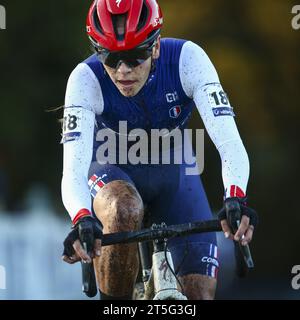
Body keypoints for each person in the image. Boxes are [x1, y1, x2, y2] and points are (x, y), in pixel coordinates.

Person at [61, 0, 257, 300]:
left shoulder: (188, 60)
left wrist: (235, 195)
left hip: (174, 175)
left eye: (134, 56)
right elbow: (73, 165)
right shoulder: (84, 79)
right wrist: (81, 216)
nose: (122, 70)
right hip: (111, 169)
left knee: (199, 295)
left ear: (155, 47)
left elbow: (229, 141)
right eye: (110, 58)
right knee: (123, 208)